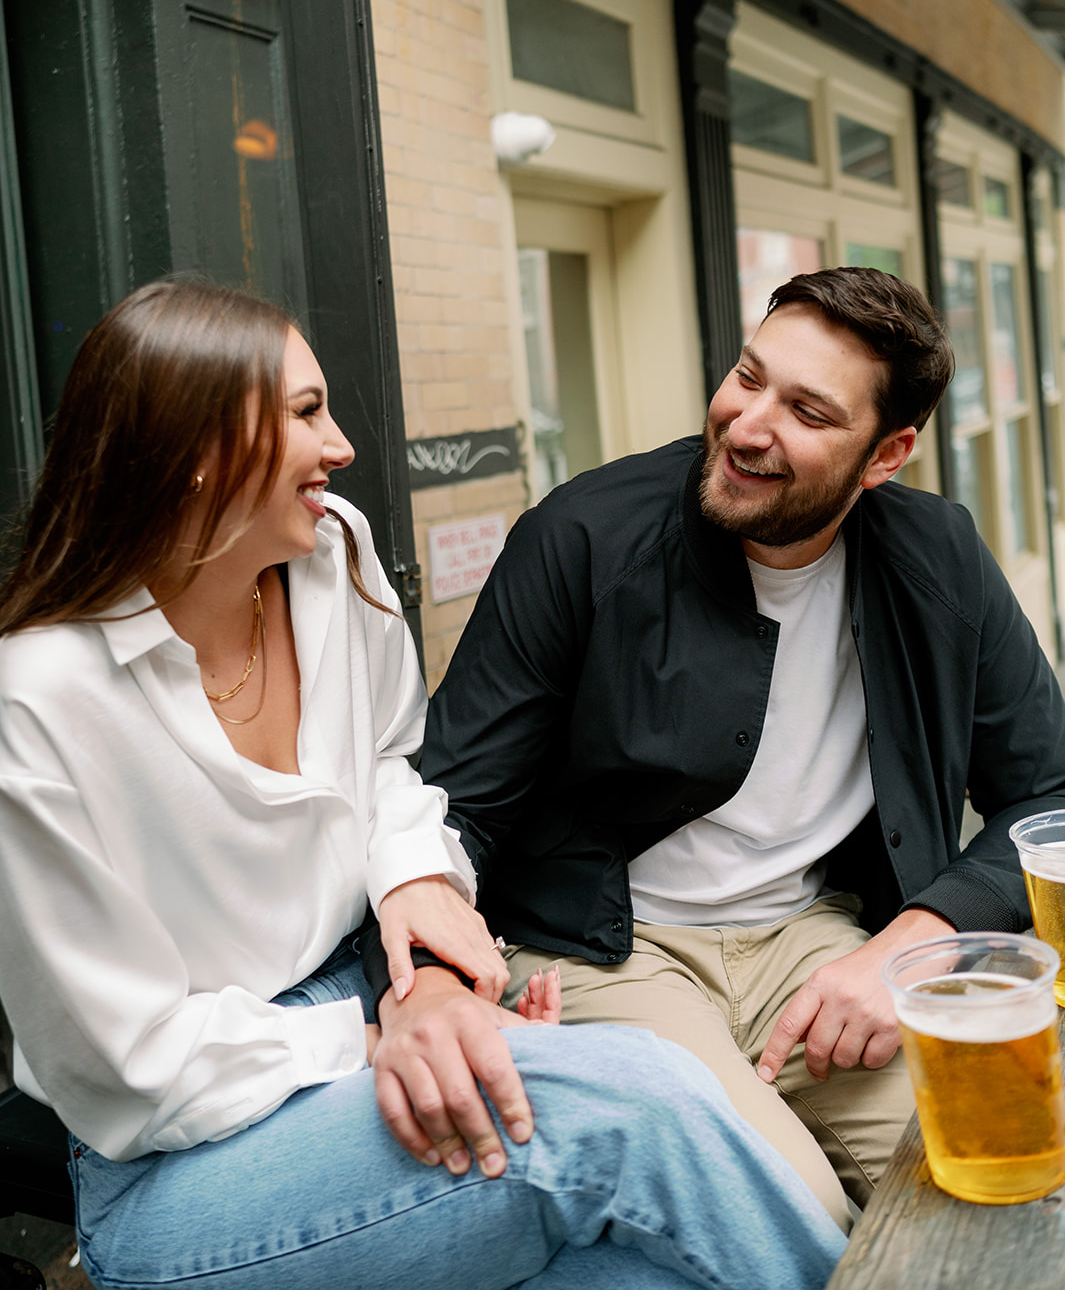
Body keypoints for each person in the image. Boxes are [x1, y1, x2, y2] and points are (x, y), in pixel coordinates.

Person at [0, 278, 845, 1290]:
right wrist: (380, 1037)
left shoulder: (331, 555)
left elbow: (396, 767)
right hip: (175, 1165)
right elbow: (126, 1068)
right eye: (307, 413)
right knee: (632, 1102)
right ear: (196, 453)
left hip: (356, 1012)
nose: (343, 445)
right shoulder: (38, 702)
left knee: (642, 1272)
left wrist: (418, 919)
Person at [421, 265, 1065, 1234]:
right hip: (608, 950)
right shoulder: (581, 536)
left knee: (1008, 1175)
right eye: (748, 376)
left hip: (819, 938)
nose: (749, 424)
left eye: (807, 410)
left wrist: (919, 932)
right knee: (790, 1212)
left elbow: (1049, 789)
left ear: (885, 455)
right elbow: (455, 803)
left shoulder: (937, 555)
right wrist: (436, 975)